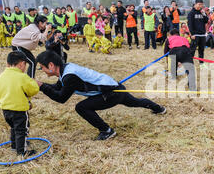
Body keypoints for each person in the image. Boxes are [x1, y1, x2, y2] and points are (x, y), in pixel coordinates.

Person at [36, 50, 167, 140]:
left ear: (51, 65)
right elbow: (58, 87)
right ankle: (159, 108)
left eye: (42, 67)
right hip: (113, 88)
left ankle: (107, 131)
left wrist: (42, 87)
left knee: (81, 107)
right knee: (135, 102)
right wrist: (41, 85)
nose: (42, 70)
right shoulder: (66, 69)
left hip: (111, 93)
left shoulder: (69, 76)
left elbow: (61, 98)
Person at [0, 51, 40, 157]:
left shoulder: (1, 76)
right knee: (22, 130)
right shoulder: (22, 77)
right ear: (21, 64)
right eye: (25, 65)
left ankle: (15, 145)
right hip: (19, 110)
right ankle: (22, 151)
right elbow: (33, 90)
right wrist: (33, 82)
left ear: (7, 63)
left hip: (5, 109)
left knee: (14, 127)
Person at [187, 0, 209, 66]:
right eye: (199, 4)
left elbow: (206, 21)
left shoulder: (202, 12)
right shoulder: (191, 13)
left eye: (202, 4)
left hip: (202, 34)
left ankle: (201, 62)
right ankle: (190, 63)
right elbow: (190, 24)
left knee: (201, 49)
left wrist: (204, 14)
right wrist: (192, 34)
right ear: (195, 4)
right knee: (192, 49)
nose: (200, 6)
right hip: (195, 34)